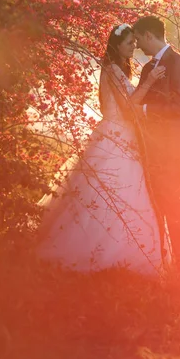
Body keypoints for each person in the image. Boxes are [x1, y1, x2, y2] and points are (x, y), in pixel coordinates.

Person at [36, 23, 168, 276]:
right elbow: (129, 105)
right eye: (129, 43)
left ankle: (117, 249)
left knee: (116, 190)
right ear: (116, 46)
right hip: (116, 136)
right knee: (116, 189)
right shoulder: (115, 70)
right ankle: (108, 252)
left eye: (134, 42)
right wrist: (150, 81)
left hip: (114, 132)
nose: (134, 47)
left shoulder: (114, 69)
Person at [131, 15, 180, 271]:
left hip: (171, 149)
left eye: (138, 39)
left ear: (149, 35)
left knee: (173, 201)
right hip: (150, 147)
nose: (137, 46)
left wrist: (147, 111)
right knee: (154, 202)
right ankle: (158, 257)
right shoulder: (148, 69)